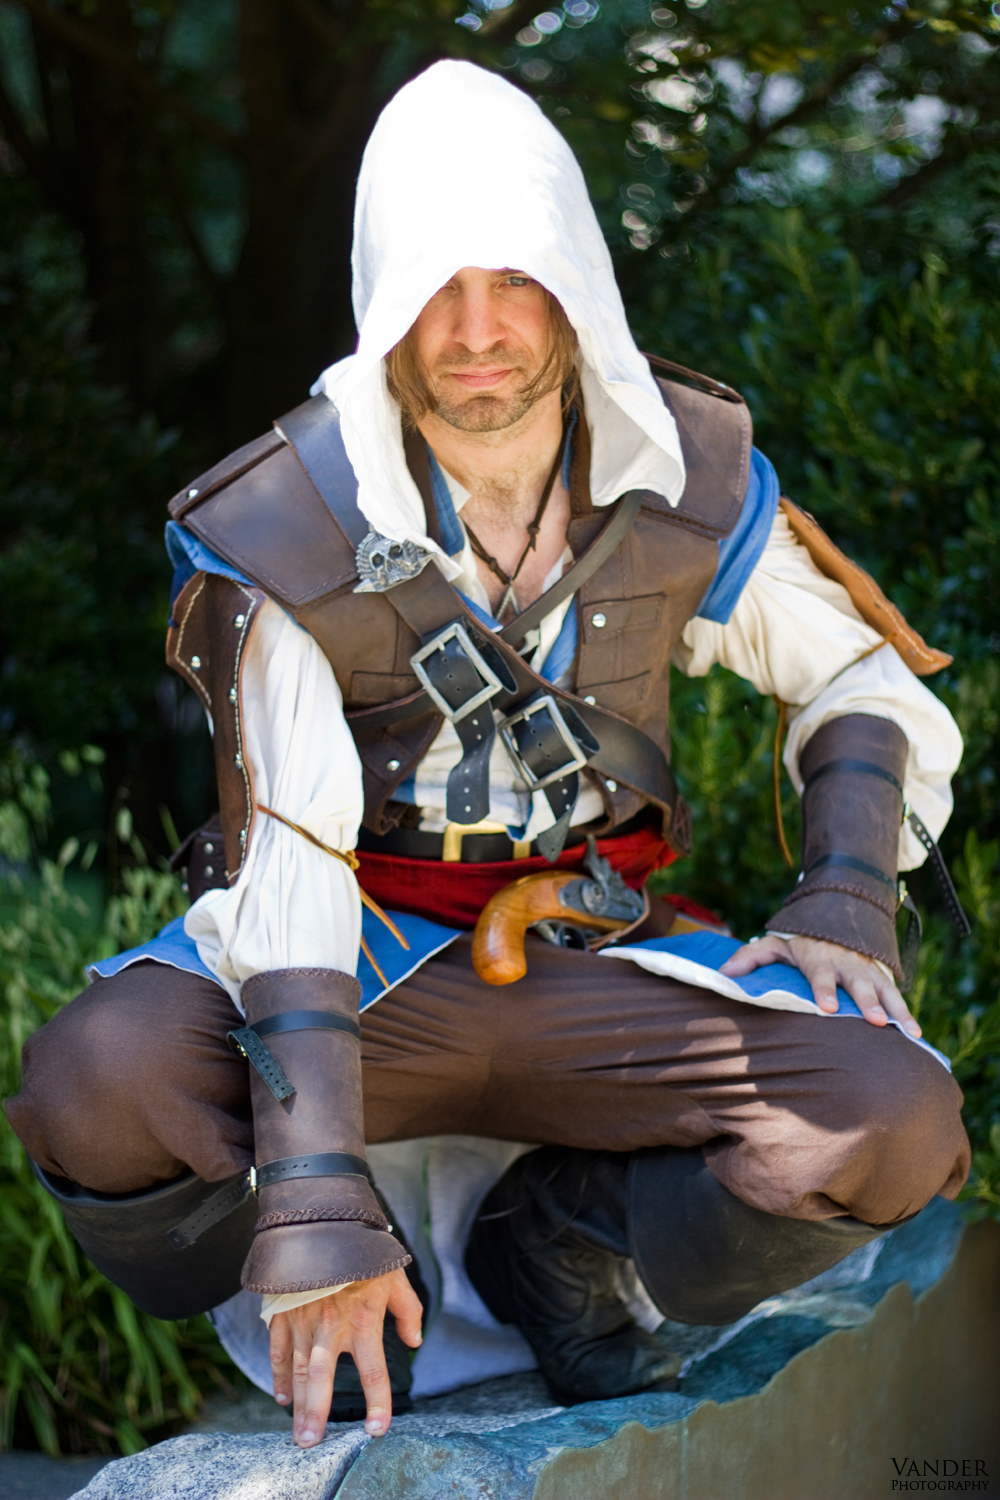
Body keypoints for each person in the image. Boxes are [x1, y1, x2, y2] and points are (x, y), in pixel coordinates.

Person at [7, 61, 969, 1451]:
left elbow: (859, 674)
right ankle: (358, 1288)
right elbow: (292, 855)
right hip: (361, 968)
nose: (474, 332)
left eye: (513, 279)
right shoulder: (282, 524)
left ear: (574, 282)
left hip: (592, 962)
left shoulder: (683, 476)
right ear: (382, 302)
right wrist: (317, 1199)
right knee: (97, 1084)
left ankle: (561, 1238)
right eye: (434, 288)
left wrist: (846, 898)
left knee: (890, 1121)